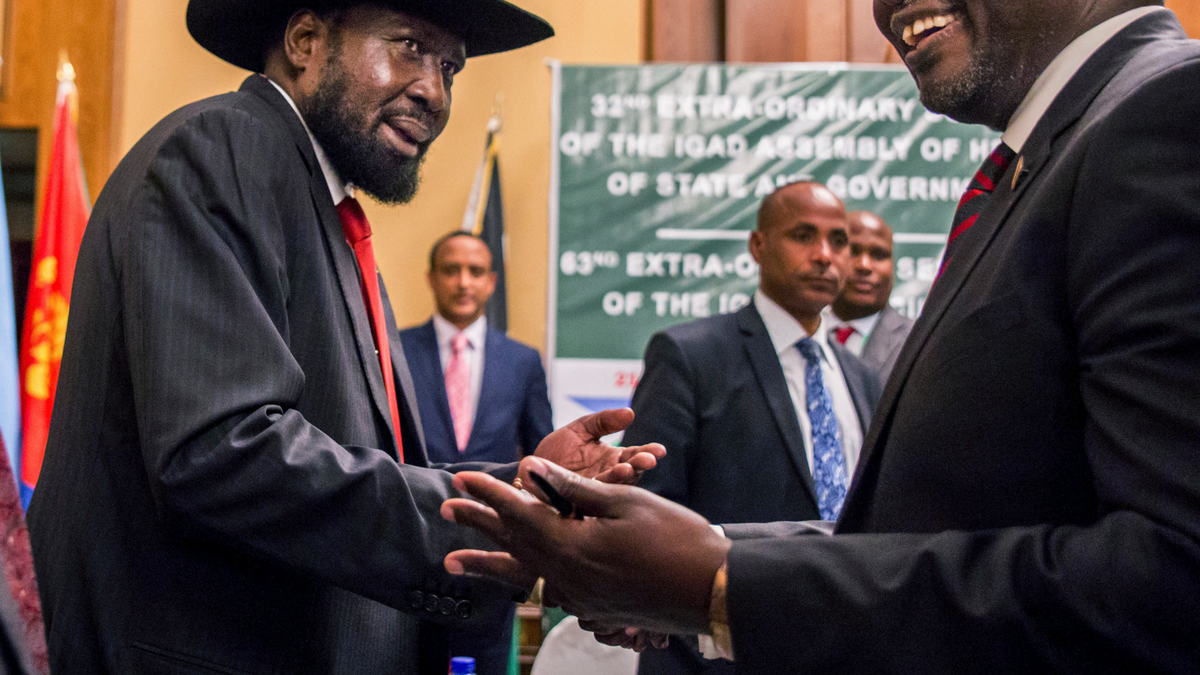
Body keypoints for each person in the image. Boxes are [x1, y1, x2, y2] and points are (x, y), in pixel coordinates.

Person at [441, 1, 1200, 672]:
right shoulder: (1047, 158)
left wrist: (721, 586)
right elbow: (921, 527)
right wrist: (697, 570)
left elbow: (1172, 580)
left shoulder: (1166, 109)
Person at [24, 2, 663, 674]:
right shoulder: (223, 148)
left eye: (450, 66)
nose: (434, 91)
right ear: (305, 41)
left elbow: (351, 459)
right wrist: (517, 537)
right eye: (409, 46)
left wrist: (526, 492)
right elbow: (222, 452)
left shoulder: (328, 213)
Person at [623, 182, 880, 675]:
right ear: (758, 246)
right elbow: (646, 513)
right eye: (804, 235)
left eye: (839, 241)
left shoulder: (863, 379)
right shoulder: (690, 357)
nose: (825, 255)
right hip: (714, 656)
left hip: (838, 650)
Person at [400, 231, 554, 675]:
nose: (463, 282)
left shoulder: (522, 361)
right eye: (452, 270)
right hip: (413, 543)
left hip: (490, 555)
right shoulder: (396, 349)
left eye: (475, 272)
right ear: (432, 278)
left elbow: (540, 454)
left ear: (491, 281)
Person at [828, 211, 914, 384]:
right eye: (852, 251)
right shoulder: (802, 334)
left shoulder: (917, 342)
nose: (864, 266)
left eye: (879, 255)